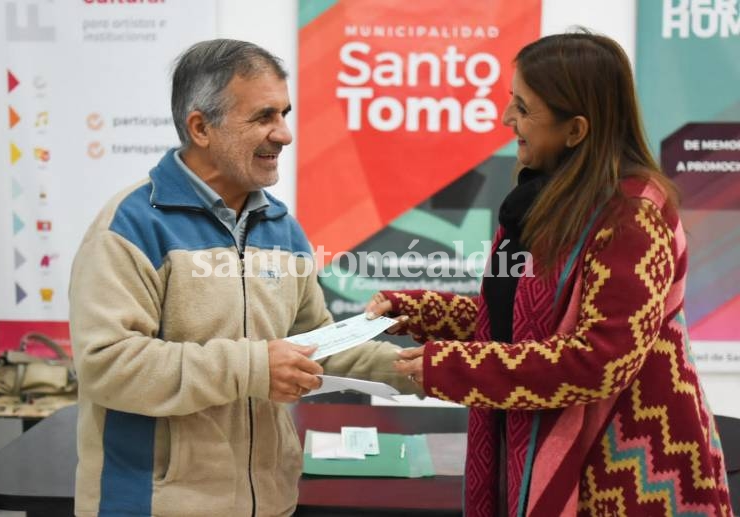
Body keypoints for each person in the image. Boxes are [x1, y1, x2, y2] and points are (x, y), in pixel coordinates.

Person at [367, 31, 732, 516]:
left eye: (523, 107)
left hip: (616, 481)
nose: (506, 119)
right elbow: (522, 319)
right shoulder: (547, 201)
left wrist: (454, 368)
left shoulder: (632, 215)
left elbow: (599, 361)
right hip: (543, 449)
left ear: (576, 130)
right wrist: (419, 311)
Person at [69, 39, 413, 517]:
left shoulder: (281, 227)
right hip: (151, 506)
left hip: (269, 504)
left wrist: (421, 369)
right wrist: (253, 369)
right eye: (264, 117)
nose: (285, 134)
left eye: (285, 114)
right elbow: (107, 365)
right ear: (200, 127)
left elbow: (315, 344)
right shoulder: (131, 225)